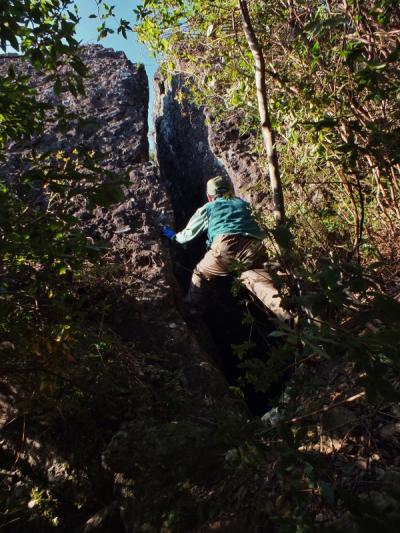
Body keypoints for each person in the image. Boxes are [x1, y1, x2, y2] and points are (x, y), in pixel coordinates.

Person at [162, 176, 265, 312]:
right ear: (231, 192)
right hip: (255, 247)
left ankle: (192, 310)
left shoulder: (210, 207)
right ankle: (287, 316)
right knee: (254, 277)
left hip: (225, 246)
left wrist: (172, 236)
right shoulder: (245, 205)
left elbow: (186, 237)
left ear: (209, 196)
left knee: (200, 273)